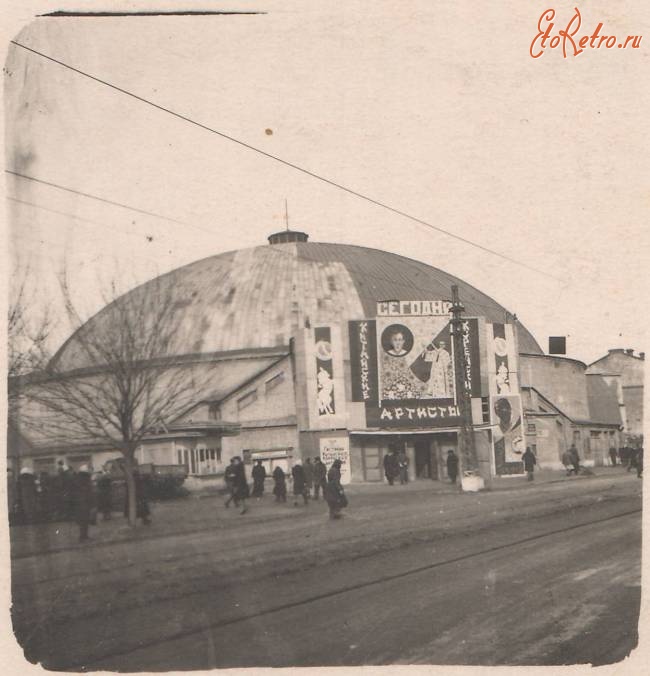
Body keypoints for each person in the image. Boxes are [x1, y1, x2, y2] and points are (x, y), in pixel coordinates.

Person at [74, 465, 94, 542]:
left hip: (81, 502)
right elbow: (88, 491)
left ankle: (84, 536)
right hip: (84, 502)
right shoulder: (85, 479)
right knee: (84, 520)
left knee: (83, 520)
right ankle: (83, 537)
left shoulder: (79, 478)